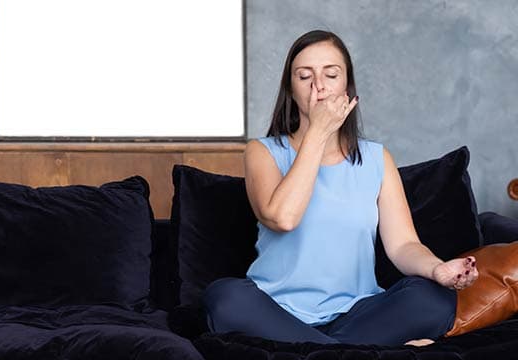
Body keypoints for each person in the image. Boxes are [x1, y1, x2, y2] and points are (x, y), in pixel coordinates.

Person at [202, 30, 479, 347]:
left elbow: (403, 245)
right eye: (304, 76)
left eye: (330, 74)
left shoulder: (377, 158)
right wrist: (318, 132)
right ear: (290, 90)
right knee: (224, 297)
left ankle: (315, 349)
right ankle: (358, 350)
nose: (318, 86)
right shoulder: (262, 152)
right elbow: (283, 218)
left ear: (347, 88)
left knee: (433, 298)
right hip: (274, 310)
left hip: (357, 314)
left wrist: (438, 269)